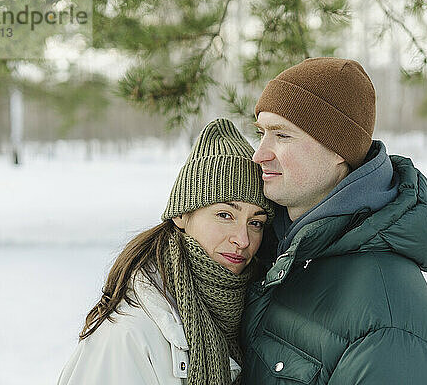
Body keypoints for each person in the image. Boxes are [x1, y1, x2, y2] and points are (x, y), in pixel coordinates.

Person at [241, 57, 427, 384]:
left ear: (340, 149)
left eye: (282, 136)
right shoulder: (271, 246)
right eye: (262, 133)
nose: (259, 153)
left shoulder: (388, 323)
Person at [57, 118, 274, 385]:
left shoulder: (246, 315)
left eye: (256, 223)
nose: (243, 240)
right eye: (225, 214)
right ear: (182, 215)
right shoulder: (130, 334)